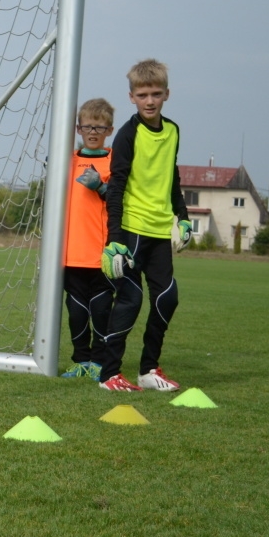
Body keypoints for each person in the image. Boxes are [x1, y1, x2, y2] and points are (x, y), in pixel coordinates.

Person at [96, 59, 193, 392]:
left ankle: (149, 370)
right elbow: (116, 186)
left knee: (167, 298)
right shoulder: (127, 134)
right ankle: (109, 374)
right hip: (131, 231)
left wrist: (183, 216)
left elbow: (172, 177)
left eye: (155, 94)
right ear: (131, 97)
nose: (149, 101)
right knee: (130, 300)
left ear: (167, 94)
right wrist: (114, 239)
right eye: (142, 95)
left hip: (160, 231)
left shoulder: (173, 131)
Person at [60, 98, 116, 380]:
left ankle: (99, 362)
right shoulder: (66, 160)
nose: (93, 132)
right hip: (71, 254)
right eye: (88, 126)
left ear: (109, 130)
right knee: (76, 312)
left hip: (102, 254)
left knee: (102, 310)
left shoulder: (116, 161)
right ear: (78, 129)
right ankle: (81, 360)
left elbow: (121, 200)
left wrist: (102, 187)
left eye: (100, 127)